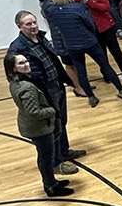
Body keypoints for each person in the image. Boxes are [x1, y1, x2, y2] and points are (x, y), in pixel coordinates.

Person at [8, 11, 84, 170]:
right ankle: (56, 163)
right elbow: (14, 73)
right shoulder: (17, 48)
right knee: (53, 126)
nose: (34, 26)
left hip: (56, 85)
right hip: (44, 90)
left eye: (34, 22)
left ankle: (64, 151)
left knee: (61, 120)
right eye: (28, 24)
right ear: (19, 27)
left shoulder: (41, 37)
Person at [44, 0, 122, 105]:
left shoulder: (52, 11)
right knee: (105, 65)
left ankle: (91, 97)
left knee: (81, 71)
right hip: (88, 41)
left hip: (71, 45)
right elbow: (90, 24)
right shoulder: (78, 8)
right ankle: (121, 90)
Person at [5, 53, 72, 197]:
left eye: (26, 61)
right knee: (46, 157)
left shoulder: (16, 82)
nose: (27, 64)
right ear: (13, 69)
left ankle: (51, 182)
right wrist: (52, 110)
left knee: (45, 156)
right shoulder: (27, 88)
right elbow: (34, 112)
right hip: (39, 128)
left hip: (36, 126)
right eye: (21, 63)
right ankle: (51, 187)